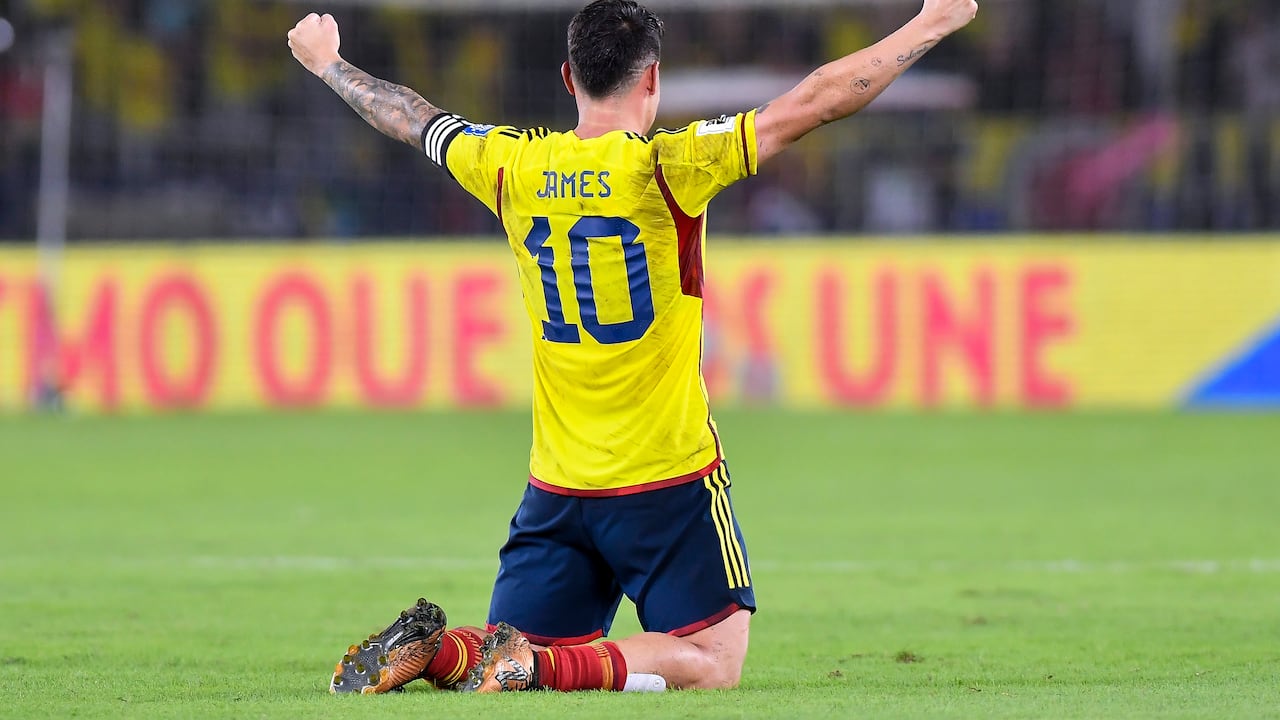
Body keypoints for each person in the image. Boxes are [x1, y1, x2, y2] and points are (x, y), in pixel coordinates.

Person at [289, 0, 977, 694]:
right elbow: (818, 101)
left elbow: (412, 117)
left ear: (568, 77)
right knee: (711, 660)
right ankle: (534, 668)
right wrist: (933, 22)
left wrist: (328, 64)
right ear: (652, 80)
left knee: (508, 643)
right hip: (665, 482)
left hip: (557, 486)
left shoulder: (510, 165)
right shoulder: (670, 166)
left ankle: (439, 654)